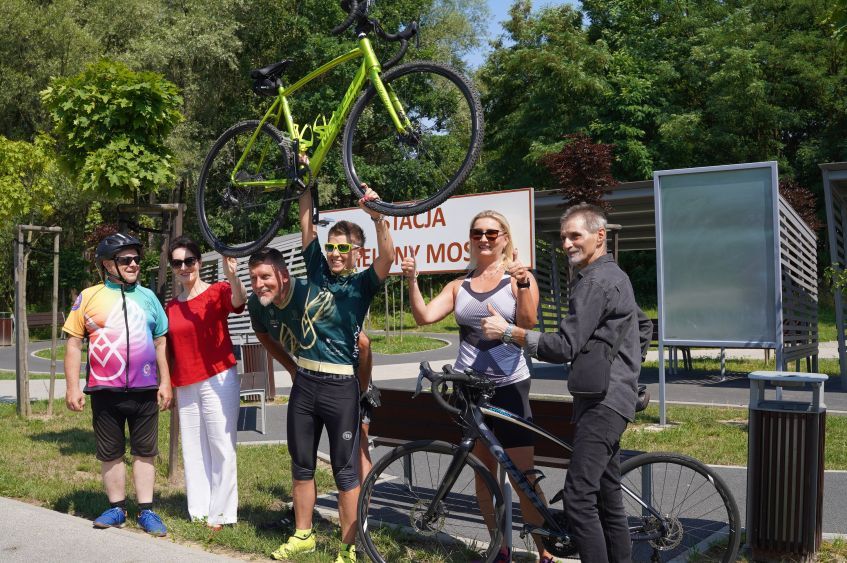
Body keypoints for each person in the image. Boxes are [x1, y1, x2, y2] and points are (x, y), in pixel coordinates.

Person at [481, 203, 652, 563]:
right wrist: (627, 367)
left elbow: (563, 346)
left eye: (576, 235)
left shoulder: (596, 281)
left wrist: (510, 332)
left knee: (578, 498)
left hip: (603, 403)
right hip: (609, 397)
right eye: (564, 237)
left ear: (599, 236)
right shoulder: (614, 276)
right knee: (608, 499)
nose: (568, 243)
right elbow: (644, 325)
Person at [247, 184, 393, 563]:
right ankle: (303, 535)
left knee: (345, 472)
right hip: (306, 383)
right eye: (332, 246)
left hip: (340, 385)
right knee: (302, 465)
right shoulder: (316, 268)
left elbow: (388, 258)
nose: (335, 253)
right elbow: (306, 221)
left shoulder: (361, 285)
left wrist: (378, 218)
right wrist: (304, 180)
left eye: (343, 248)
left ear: (356, 252)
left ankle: (348, 548)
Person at [400, 210, 554, 563]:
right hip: (469, 392)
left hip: (509, 389)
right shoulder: (460, 285)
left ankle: (547, 552)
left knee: (523, 479)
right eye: (477, 233)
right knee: (485, 478)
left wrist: (525, 281)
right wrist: (412, 280)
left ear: (504, 237)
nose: (484, 238)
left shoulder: (516, 278)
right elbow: (424, 316)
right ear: (469, 239)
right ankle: (499, 550)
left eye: (491, 232)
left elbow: (529, 322)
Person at [63, 232, 172, 536]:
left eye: (137, 258)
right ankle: (116, 508)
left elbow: (161, 341)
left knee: (145, 451)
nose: (134, 263)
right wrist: (72, 387)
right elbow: (73, 344)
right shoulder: (89, 296)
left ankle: (147, 511)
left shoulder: (149, 297)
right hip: (104, 390)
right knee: (110, 452)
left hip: (145, 389)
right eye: (126, 259)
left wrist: (166, 382)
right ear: (107, 264)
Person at [164, 236, 247, 530]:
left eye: (189, 261)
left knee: (221, 445)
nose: (184, 267)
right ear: (172, 267)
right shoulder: (171, 307)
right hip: (185, 383)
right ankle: (199, 510)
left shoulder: (217, 291)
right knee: (193, 448)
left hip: (219, 377)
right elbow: (167, 349)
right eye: (177, 263)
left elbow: (239, 301)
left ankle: (222, 513)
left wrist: (233, 275)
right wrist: (165, 384)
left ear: (199, 262)